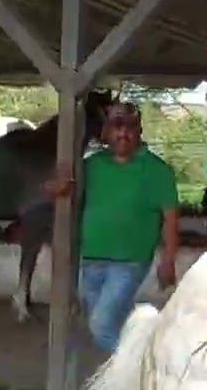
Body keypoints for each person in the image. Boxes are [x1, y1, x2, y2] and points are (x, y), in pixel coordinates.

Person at [45, 102, 179, 351]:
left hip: (130, 261)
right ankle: (149, 344)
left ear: (139, 131)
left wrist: (168, 260)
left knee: (101, 324)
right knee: (116, 319)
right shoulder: (90, 165)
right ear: (105, 133)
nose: (123, 134)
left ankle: (135, 373)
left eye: (129, 128)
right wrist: (58, 189)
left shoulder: (157, 170)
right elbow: (65, 192)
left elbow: (170, 217)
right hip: (91, 258)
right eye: (116, 127)